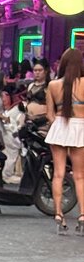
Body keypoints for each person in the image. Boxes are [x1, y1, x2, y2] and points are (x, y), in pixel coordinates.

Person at [45, 47, 84, 234]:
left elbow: (49, 114)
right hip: (80, 127)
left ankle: (59, 214)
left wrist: (59, 125)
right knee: (79, 175)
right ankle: (82, 215)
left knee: (58, 174)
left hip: (60, 126)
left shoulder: (53, 85)